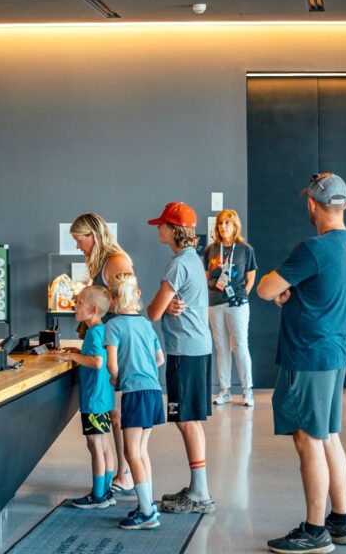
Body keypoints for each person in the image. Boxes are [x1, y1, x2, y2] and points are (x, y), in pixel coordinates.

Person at [256, 173, 346, 554]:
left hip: (308, 356)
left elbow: (265, 287)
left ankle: (315, 529)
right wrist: (294, 291)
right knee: (329, 434)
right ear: (344, 204)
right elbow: (317, 291)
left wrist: (282, 289)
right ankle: (341, 521)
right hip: (333, 353)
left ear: (313, 205)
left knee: (308, 438)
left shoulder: (314, 248)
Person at [145, 202, 216, 515]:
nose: (158, 229)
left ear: (173, 231)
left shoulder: (177, 265)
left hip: (184, 351)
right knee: (190, 420)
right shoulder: (192, 260)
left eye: (162, 225)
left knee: (186, 420)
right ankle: (198, 487)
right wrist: (172, 304)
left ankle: (200, 493)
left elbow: (153, 312)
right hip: (197, 348)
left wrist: (164, 306)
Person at [69, 212, 135, 495]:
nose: (77, 246)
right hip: (107, 342)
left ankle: (125, 473)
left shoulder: (116, 260)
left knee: (118, 415)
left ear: (93, 236)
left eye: (79, 240)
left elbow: (130, 298)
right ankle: (118, 473)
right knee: (114, 415)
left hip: (116, 345)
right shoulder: (100, 261)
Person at [104, 272, 165, 530]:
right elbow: (159, 359)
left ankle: (147, 512)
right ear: (137, 295)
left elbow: (112, 365)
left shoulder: (113, 327)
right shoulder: (145, 325)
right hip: (153, 391)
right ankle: (146, 504)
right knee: (141, 451)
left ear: (113, 300)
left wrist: (116, 378)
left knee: (132, 454)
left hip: (134, 393)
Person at [53, 286, 117, 509]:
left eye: (79, 302)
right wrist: (78, 353)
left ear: (93, 309)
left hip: (93, 399)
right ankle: (106, 490)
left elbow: (97, 362)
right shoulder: (102, 331)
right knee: (105, 443)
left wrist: (71, 356)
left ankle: (97, 495)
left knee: (94, 444)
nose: (75, 305)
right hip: (104, 397)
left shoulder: (92, 333)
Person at [204, 209, 258, 407]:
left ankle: (247, 390)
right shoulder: (211, 249)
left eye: (227, 223)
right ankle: (225, 390)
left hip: (237, 304)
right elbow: (206, 277)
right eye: (220, 223)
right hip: (215, 303)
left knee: (240, 345)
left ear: (235, 225)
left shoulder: (245, 249)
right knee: (221, 347)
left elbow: (251, 276)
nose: (223, 227)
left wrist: (243, 295)